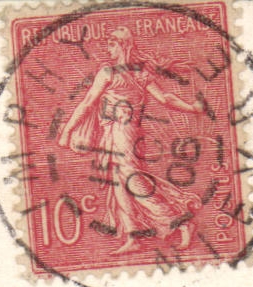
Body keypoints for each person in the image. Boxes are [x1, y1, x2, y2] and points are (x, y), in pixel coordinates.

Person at [58, 26, 205, 255]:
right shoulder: (138, 72)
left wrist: (67, 131)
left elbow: (88, 102)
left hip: (123, 134)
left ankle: (182, 222)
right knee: (120, 185)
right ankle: (132, 236)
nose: (109, 48)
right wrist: (192, 108)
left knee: (134, 183)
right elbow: (164, 98)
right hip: (121, 134)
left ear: (124, 46)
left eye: (113, 43)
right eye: (108, 43)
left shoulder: (110, 73)